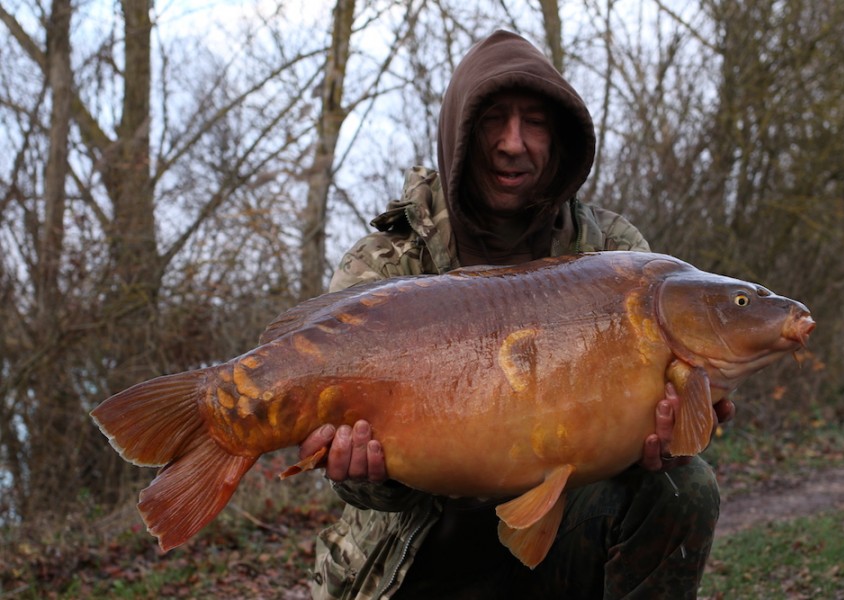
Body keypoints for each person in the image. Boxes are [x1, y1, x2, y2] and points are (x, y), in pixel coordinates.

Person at [299, 30, 734, 599]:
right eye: (493, 121)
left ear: (560, 138)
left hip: (565, 528)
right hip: (417, 545)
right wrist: (363, 475)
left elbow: (659, 429)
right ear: (459, 133)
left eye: (535, 122)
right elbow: (361, 494)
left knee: (686, 484)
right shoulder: (387, 260)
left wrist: (668, 438)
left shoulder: (618, 256)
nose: (513, 143)